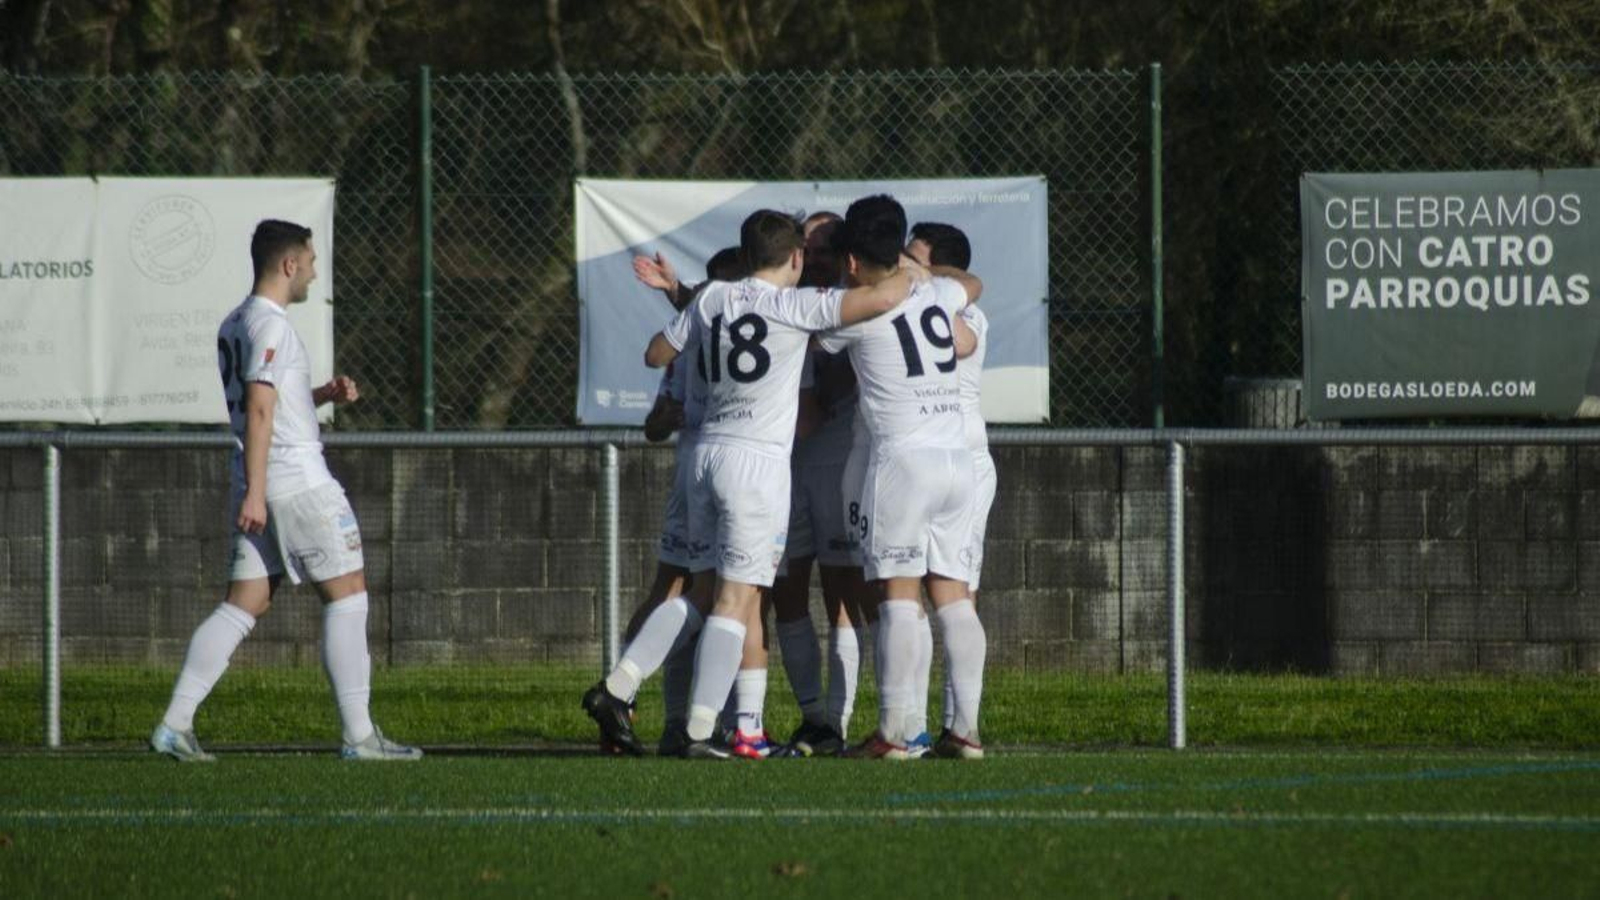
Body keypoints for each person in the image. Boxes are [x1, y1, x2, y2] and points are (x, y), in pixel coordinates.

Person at [587, 208, 920, 759]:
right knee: (736, 600)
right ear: (795, 258)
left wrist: (686, 304)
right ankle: (669, 713)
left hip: (704, 455)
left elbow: (655, 354)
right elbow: (881, 299)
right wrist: (910, 272)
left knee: (701, 591)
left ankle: (646, 701)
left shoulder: (712, 299)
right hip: (756, 466)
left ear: (744, 258)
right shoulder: (796, 306)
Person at [150, 219, 420, 762]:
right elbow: (259, 407)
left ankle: (174, 725)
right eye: (312, 262)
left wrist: (321, 393)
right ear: (289, 265)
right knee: (348, 596)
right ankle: (360, 737)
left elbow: (273, 399)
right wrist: (258, 490)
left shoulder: (236, 322)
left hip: (258, 477)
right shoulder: (271, 326)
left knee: (243, 603)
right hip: (294, 482)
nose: (315, 273)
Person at [815, 196, 987, 760]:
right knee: (954, 598)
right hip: (956, 459)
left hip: (904, 461)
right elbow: (973, 282)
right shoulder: (935, 291)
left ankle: (894, 732)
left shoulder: (857, 308)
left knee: (896, 595)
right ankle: (965, 730)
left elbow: (814, 330)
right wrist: (919, 271)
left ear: (853, 261)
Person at [771, 211, 874, 757]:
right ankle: (812, 717)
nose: (814, 258)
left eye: (825, 247)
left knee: (842, 596)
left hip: (837, 462)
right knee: (785, 591)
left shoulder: (853, 304)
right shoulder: (781, 300)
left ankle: (838, 720)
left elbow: (837, 380)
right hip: (780, 466)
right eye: (804, 248)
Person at [907, 221, 992, 759]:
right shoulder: (931, 298)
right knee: (912, 593)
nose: (901, 262)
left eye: (912, 255)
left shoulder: (955, 306)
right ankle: (926, 725)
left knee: (952, 595)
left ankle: (957, 725)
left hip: (958, 462)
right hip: (937, 459)